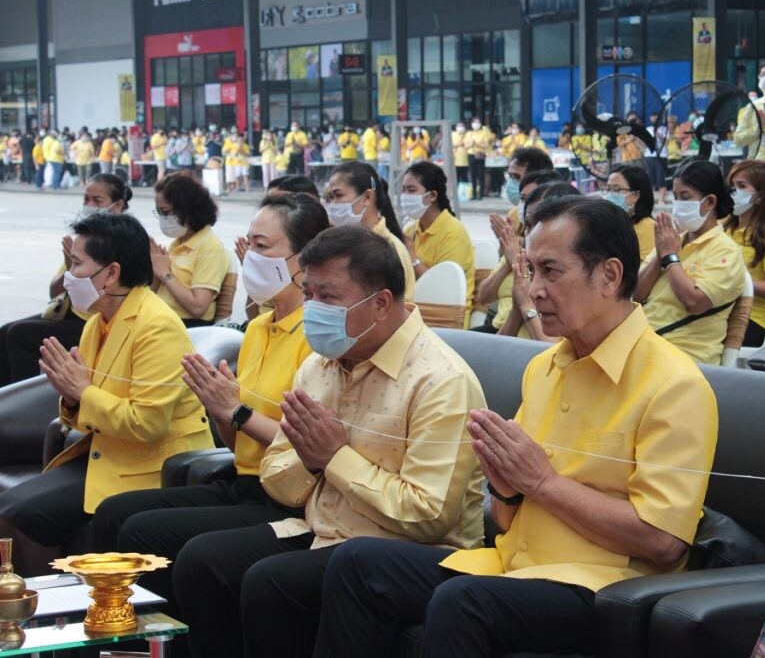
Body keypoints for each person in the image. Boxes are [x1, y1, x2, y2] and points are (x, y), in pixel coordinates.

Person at [312, 196, 718, 658]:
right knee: (356, 562)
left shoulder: (674, 385)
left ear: (608, 275)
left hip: (605, 587)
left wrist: (542, 482)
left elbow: (663, 541)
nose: (533, 289)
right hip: (513, 564)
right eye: (529, 270)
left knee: (462, 602)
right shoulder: (543, 367)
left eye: (551, 271)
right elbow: (507, 516)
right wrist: (505, 486)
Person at [172, 225, 486, 658]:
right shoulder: (321, 365)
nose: (314, 310)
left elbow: (429, 515)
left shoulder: (440, 380)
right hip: (320, 531)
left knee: (272, 582)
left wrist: (335, 458)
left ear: (380, 303)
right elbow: (275, 480)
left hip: (407, 552)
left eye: (329, 298)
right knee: (201, 560)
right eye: (309, 294)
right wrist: (315, 460)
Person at [89, 194, 327, 618]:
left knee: (150, 535)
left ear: (303, 258)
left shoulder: (318, 337)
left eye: (263, 246)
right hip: (243, 480)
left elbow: (305, 445)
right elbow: (238, 444)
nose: (250, 257)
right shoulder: (256, 329)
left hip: (289, 495)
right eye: (248, 245)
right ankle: (131, 635)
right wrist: (221, 409)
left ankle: (169, 638)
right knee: (115, 513)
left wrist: (236, 411)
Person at [0, 213, 212, 574]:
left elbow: (148, 423)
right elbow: (84, 406)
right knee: (10, 507)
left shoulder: (156, 326)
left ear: (111, 273)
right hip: (108, 452)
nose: (70, 276)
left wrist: (81, 389)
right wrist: (69, 395)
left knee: (20, 516)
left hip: (150, 465)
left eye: (77, 264)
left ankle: (52, 613)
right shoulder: (98, 320)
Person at [0, 175, 131, 386]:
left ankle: (24, 407)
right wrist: (71, 266)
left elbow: (109, 291)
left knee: (19, 335)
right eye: (86, 199)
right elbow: (55, 292)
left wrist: (77, 271)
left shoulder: (123, 241)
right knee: (6, 330)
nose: (89, 206)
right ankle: (5, 402)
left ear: (117, 206)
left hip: (95, 319)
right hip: (69, 312)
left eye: (97, 201)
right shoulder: (86, 236)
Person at [635, 158, 746, 364]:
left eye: (685, 197)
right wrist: (660, 255)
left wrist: (670, 257)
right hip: (645, 341)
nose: (678, 204)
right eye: (675, 196)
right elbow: (636, 294)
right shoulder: (674, 239)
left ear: (710, 202)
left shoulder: (726, 251)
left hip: (685, 353)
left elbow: (694, 302)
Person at [476, 170, 568, 336]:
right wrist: (512, 262)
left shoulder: (566, 268)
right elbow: (499, 346)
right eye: (529, 225)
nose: (532, 232)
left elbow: (551, 350)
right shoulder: (518, 247)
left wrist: (526, 303)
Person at [496, 181, 582, 342]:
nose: (534, 234)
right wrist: (517, 309)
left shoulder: (575, 280)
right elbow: (497, 351)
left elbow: (556, 354)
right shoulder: (522, 259)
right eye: (529, 226)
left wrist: (527, 307)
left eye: (549, 269)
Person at [321, 162, 416, 299]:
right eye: (330, 198)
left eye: (338, 195)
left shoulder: (391, 250)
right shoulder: (342, 243)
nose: (332, 205)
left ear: (367, 198)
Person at [151, 172, 230, 326]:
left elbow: (198, 307)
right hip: (162, 321)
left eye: (165, 212)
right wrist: (155, 270)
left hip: (188, 328)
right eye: (158, 212)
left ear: (187, 210)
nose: (162, 218)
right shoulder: (178, 243)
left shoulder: (210, 247)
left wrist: (165, 273)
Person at [400, 162, 475, 325]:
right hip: (414, 312)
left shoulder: (453, 232)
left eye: (411, 190)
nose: (404, 196)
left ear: (432, 196)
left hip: (445, 317)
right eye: (403, 190)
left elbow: (444, 286)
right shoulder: (411, 229)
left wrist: (412, 257)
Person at [725, 160, 765, 346]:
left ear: (761, 195)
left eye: (741, 186)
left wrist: (737, 281)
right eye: (732, 185)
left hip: (752, 319)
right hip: (722, 309)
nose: (734, 192)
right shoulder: (725, 229)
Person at [603, 164, 656, 260]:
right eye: (608, 189)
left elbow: (646, 269)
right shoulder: (612, 224)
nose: (610, 195)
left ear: (636, 195)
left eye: (617, 189)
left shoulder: (647, 226)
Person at [502, 146, 555, 226]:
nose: (511, 182)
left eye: (516, 177)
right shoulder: (513, 217)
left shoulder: (557, 218)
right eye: (510, 176)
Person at [466, 117, 494, 200]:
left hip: (480, 154)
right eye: (474, 122)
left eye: (478, 122)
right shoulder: (469, 133)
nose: (476, 124)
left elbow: (486, 145)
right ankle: (473, 194)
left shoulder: (483, 133)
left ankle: (480, 194)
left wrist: (476, 143)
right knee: (473, 175)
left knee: (480, 174)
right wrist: (472, 144)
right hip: (471, 154)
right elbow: (466, 145)